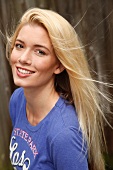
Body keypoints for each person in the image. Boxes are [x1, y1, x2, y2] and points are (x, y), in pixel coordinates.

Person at [7, 7, 107, 170]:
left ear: (59, 65)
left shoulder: (63, 135)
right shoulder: (18, 100)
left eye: (40, 52)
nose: (23, 58)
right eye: (19, 46)